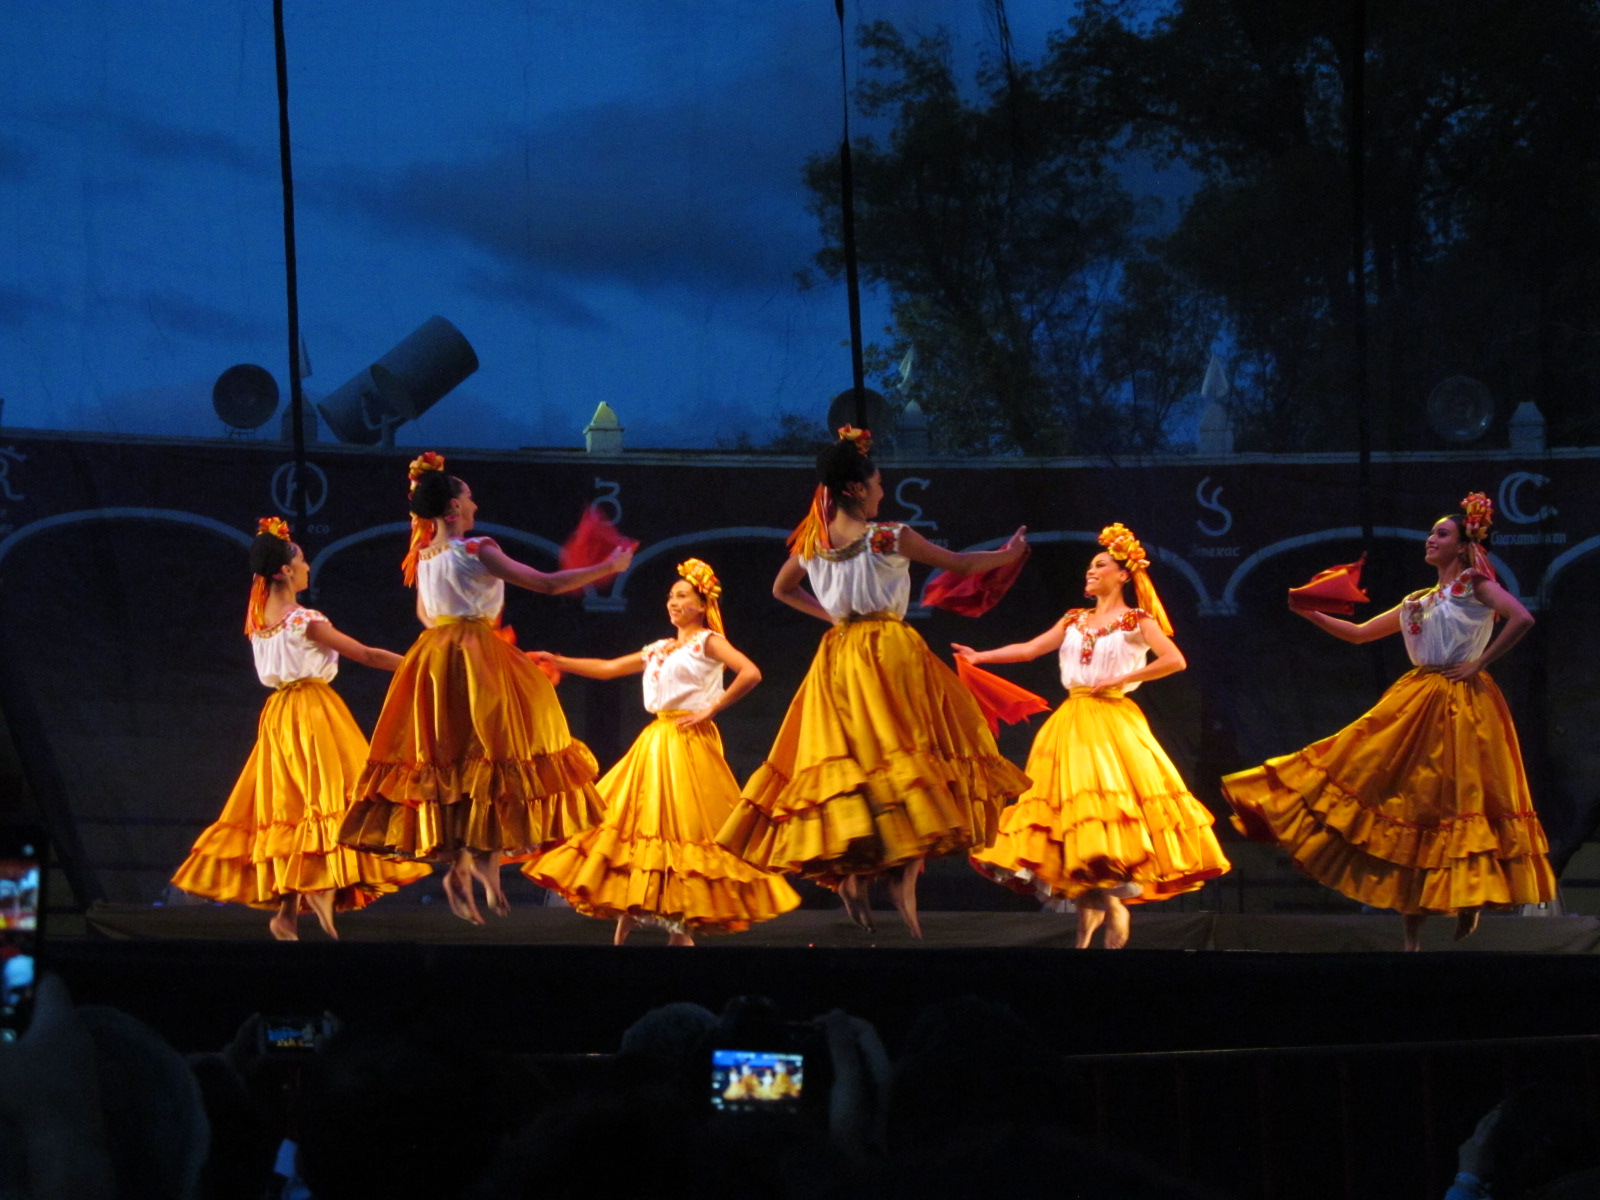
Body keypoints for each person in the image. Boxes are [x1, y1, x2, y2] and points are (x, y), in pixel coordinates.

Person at [716, 426, 1030, 937]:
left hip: (838, 659)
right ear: (857, 489)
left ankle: (856, 876)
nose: (884, 491)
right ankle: (902, 878)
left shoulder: (813, 543)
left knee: (856, 769)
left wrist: (834, 619)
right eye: (878, 483)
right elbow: (962, 564)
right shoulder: (887, 535)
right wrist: (1009, 553)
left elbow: (781, 589)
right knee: (910, 758)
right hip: (888, 654)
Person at [1223, 493, 1557, 951]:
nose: (1430, 538)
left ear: (1462, 545)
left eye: (1442, 533)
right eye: (1431, 531)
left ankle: (1469, 897)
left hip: (1462, 700)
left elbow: (1521, 617)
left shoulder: (1474, 583)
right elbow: (1360, 634)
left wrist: (1480, 662)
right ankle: (1411, 936)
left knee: (1463, 797)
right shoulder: (1417, 600)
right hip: (1417, 697)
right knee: (1408, 801)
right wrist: (1310, 610)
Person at [337, 453, 631, 924]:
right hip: (476, 657)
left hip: (435, 657)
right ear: (453, 508)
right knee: (498, 754)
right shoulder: (476, 549)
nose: (475, 502)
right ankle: (483, 872)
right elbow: (547, 584)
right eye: (469, 496)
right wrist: (608, 567)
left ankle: (464, 867)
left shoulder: (425, 555)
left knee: (454, 760)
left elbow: (423, 616)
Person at [956, 524, 1230, 948]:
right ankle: (1087, 936)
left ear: (1123, 575)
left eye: (1100, 565)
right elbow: (1030, 649)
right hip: (1071, 722)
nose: (1090, 571)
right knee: (1074, 824)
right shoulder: (1074, 619)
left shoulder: (1136, 620)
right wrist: (981, 657)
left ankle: (1103, 925)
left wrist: (1124, 676)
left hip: (1112, 720)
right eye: (1089, 566)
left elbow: (1174, 660)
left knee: (1104, 809)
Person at [172, 518, 428, 940]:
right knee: (326, 797)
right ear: (285, 571)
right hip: (311, 713)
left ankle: (289, 909)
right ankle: (319, 891)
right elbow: (365, 654)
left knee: (290, 805)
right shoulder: (302, 619)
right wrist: (418, 665)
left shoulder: (258, 618)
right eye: (302, 561)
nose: (307, 567)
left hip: (278, 716)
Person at [521, 559, 800, 945]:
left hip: (690, 742)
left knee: (682, 829)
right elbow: (608, 668)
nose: (673, 602)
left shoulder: (708, 641)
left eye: (682, 595)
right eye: (671, 596)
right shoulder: (659, 648)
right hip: (655, 742)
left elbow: (750, 672)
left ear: (702, 604)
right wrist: (559, 661)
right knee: (636, 826)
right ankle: (628, 922)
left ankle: (680, 927)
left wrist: (712, 707)